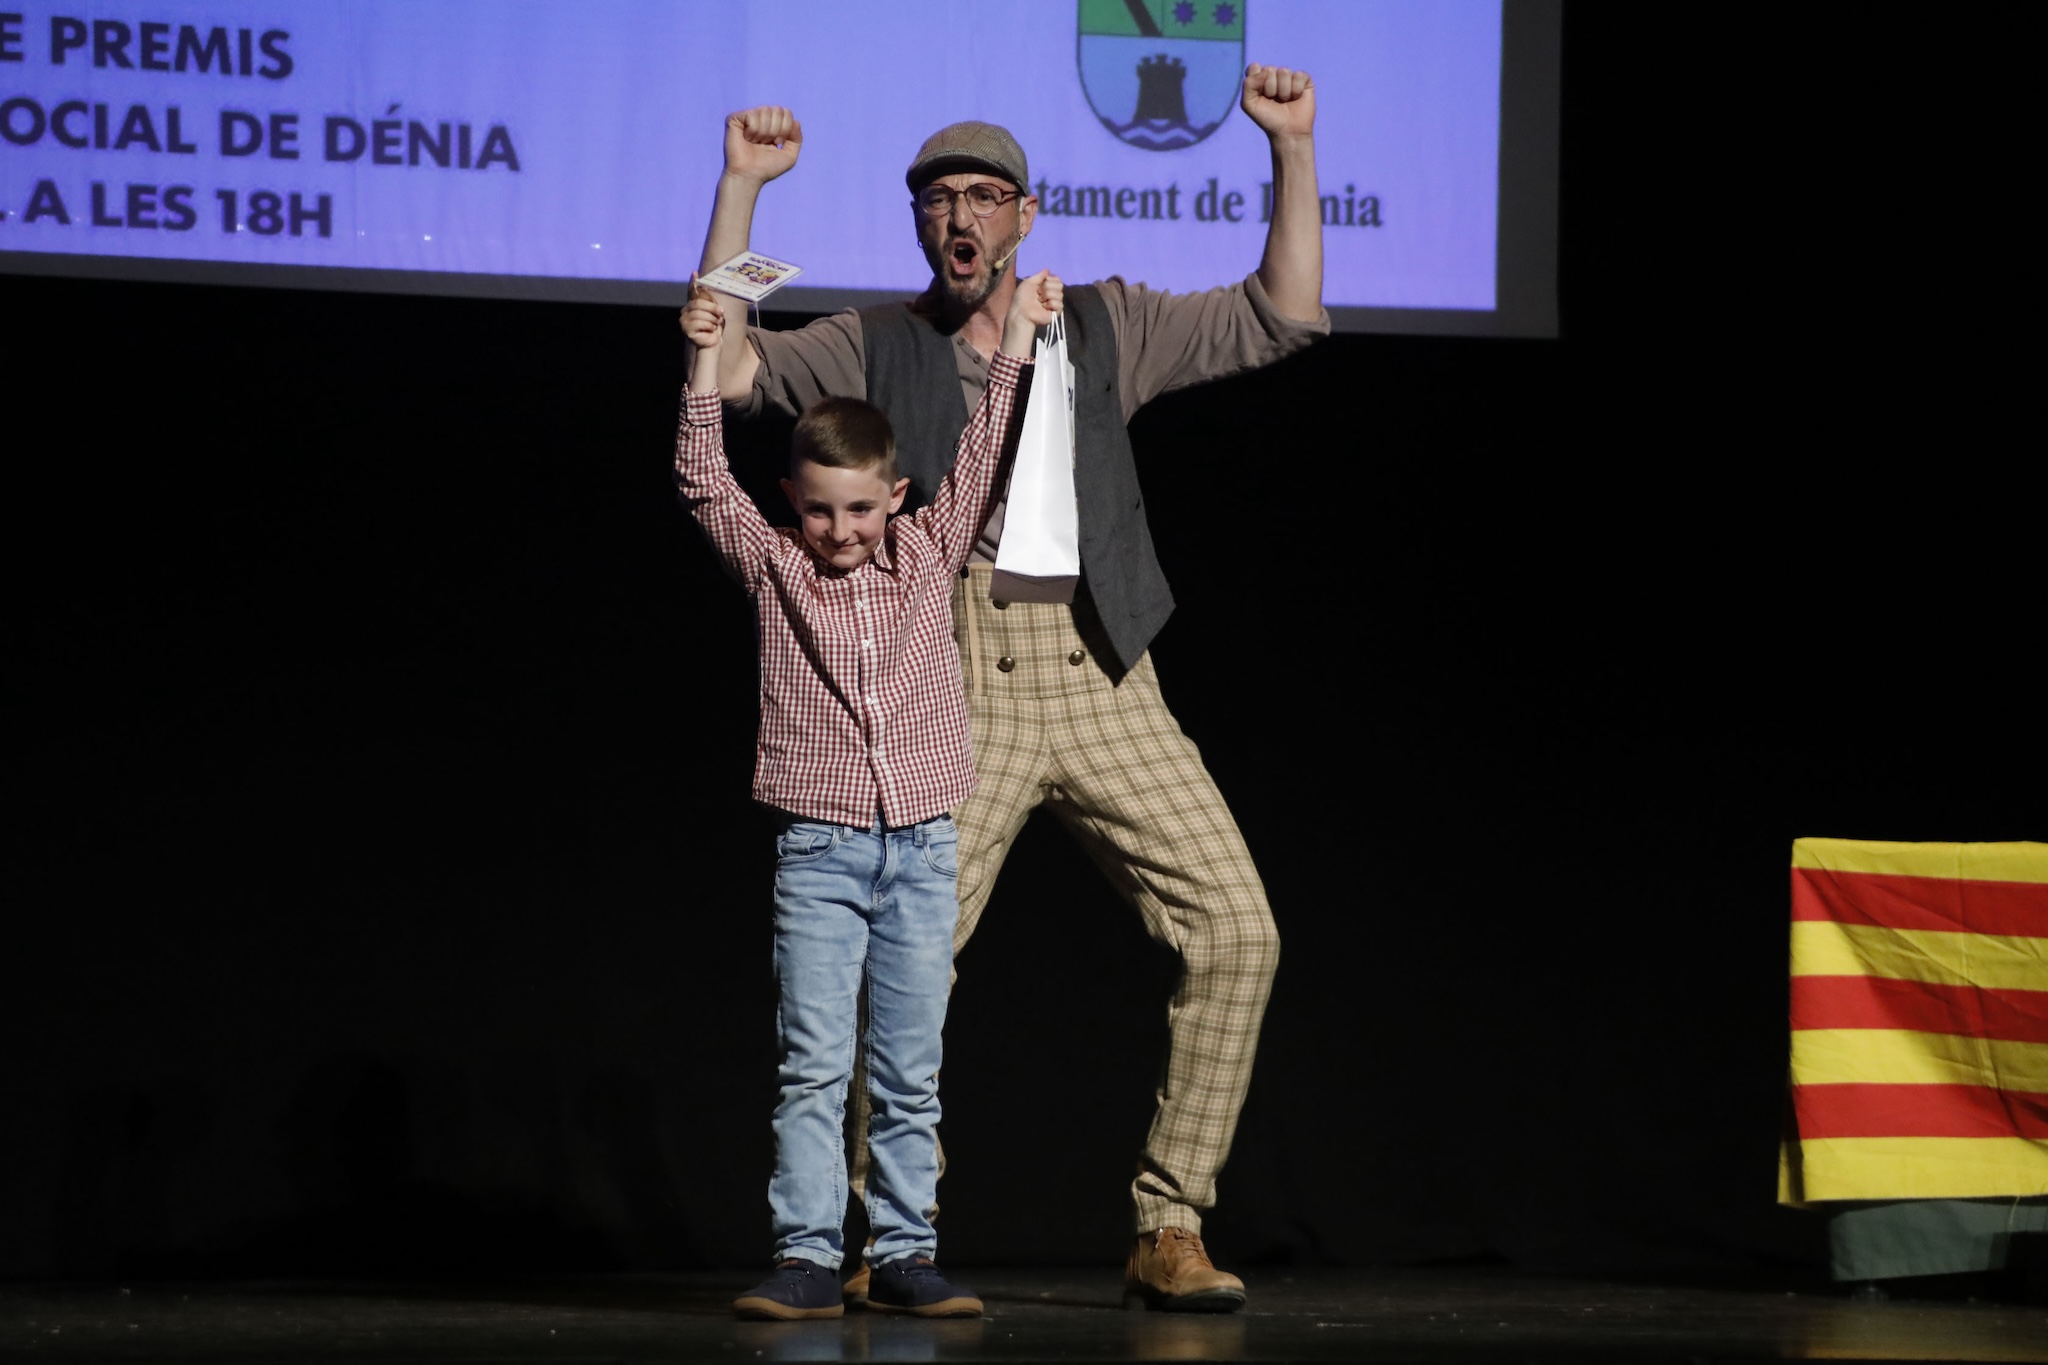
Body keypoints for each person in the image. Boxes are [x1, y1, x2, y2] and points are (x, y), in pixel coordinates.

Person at [695, 64, 1326, 1313]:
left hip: (1102, 665)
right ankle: (884, 1239)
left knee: (1238, 929)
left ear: (1024, 215)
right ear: (919, 222)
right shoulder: (874, 342)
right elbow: (721, 372)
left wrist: (1291, 151)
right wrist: (740, 190)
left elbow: (1284, 314)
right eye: (939, 200)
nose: (961, 216)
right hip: (948, 677)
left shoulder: (1104, 322)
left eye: (984, 196)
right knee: (899, 967)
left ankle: (1168, 1222)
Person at [674, 269, 1065, 1320]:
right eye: (817, 510)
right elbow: (703, 476)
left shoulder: (930, 550)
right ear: (791, 501)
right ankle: (807, 1256)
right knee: (812, 1063)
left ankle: (902, 1253)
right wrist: (705, 359)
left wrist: (1020, 338)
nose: (839, 530)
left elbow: (986, 445)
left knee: (907, 1069)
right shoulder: (777, 570)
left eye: (858, 508)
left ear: (895, 496)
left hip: (923, 847)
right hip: (821, 849)